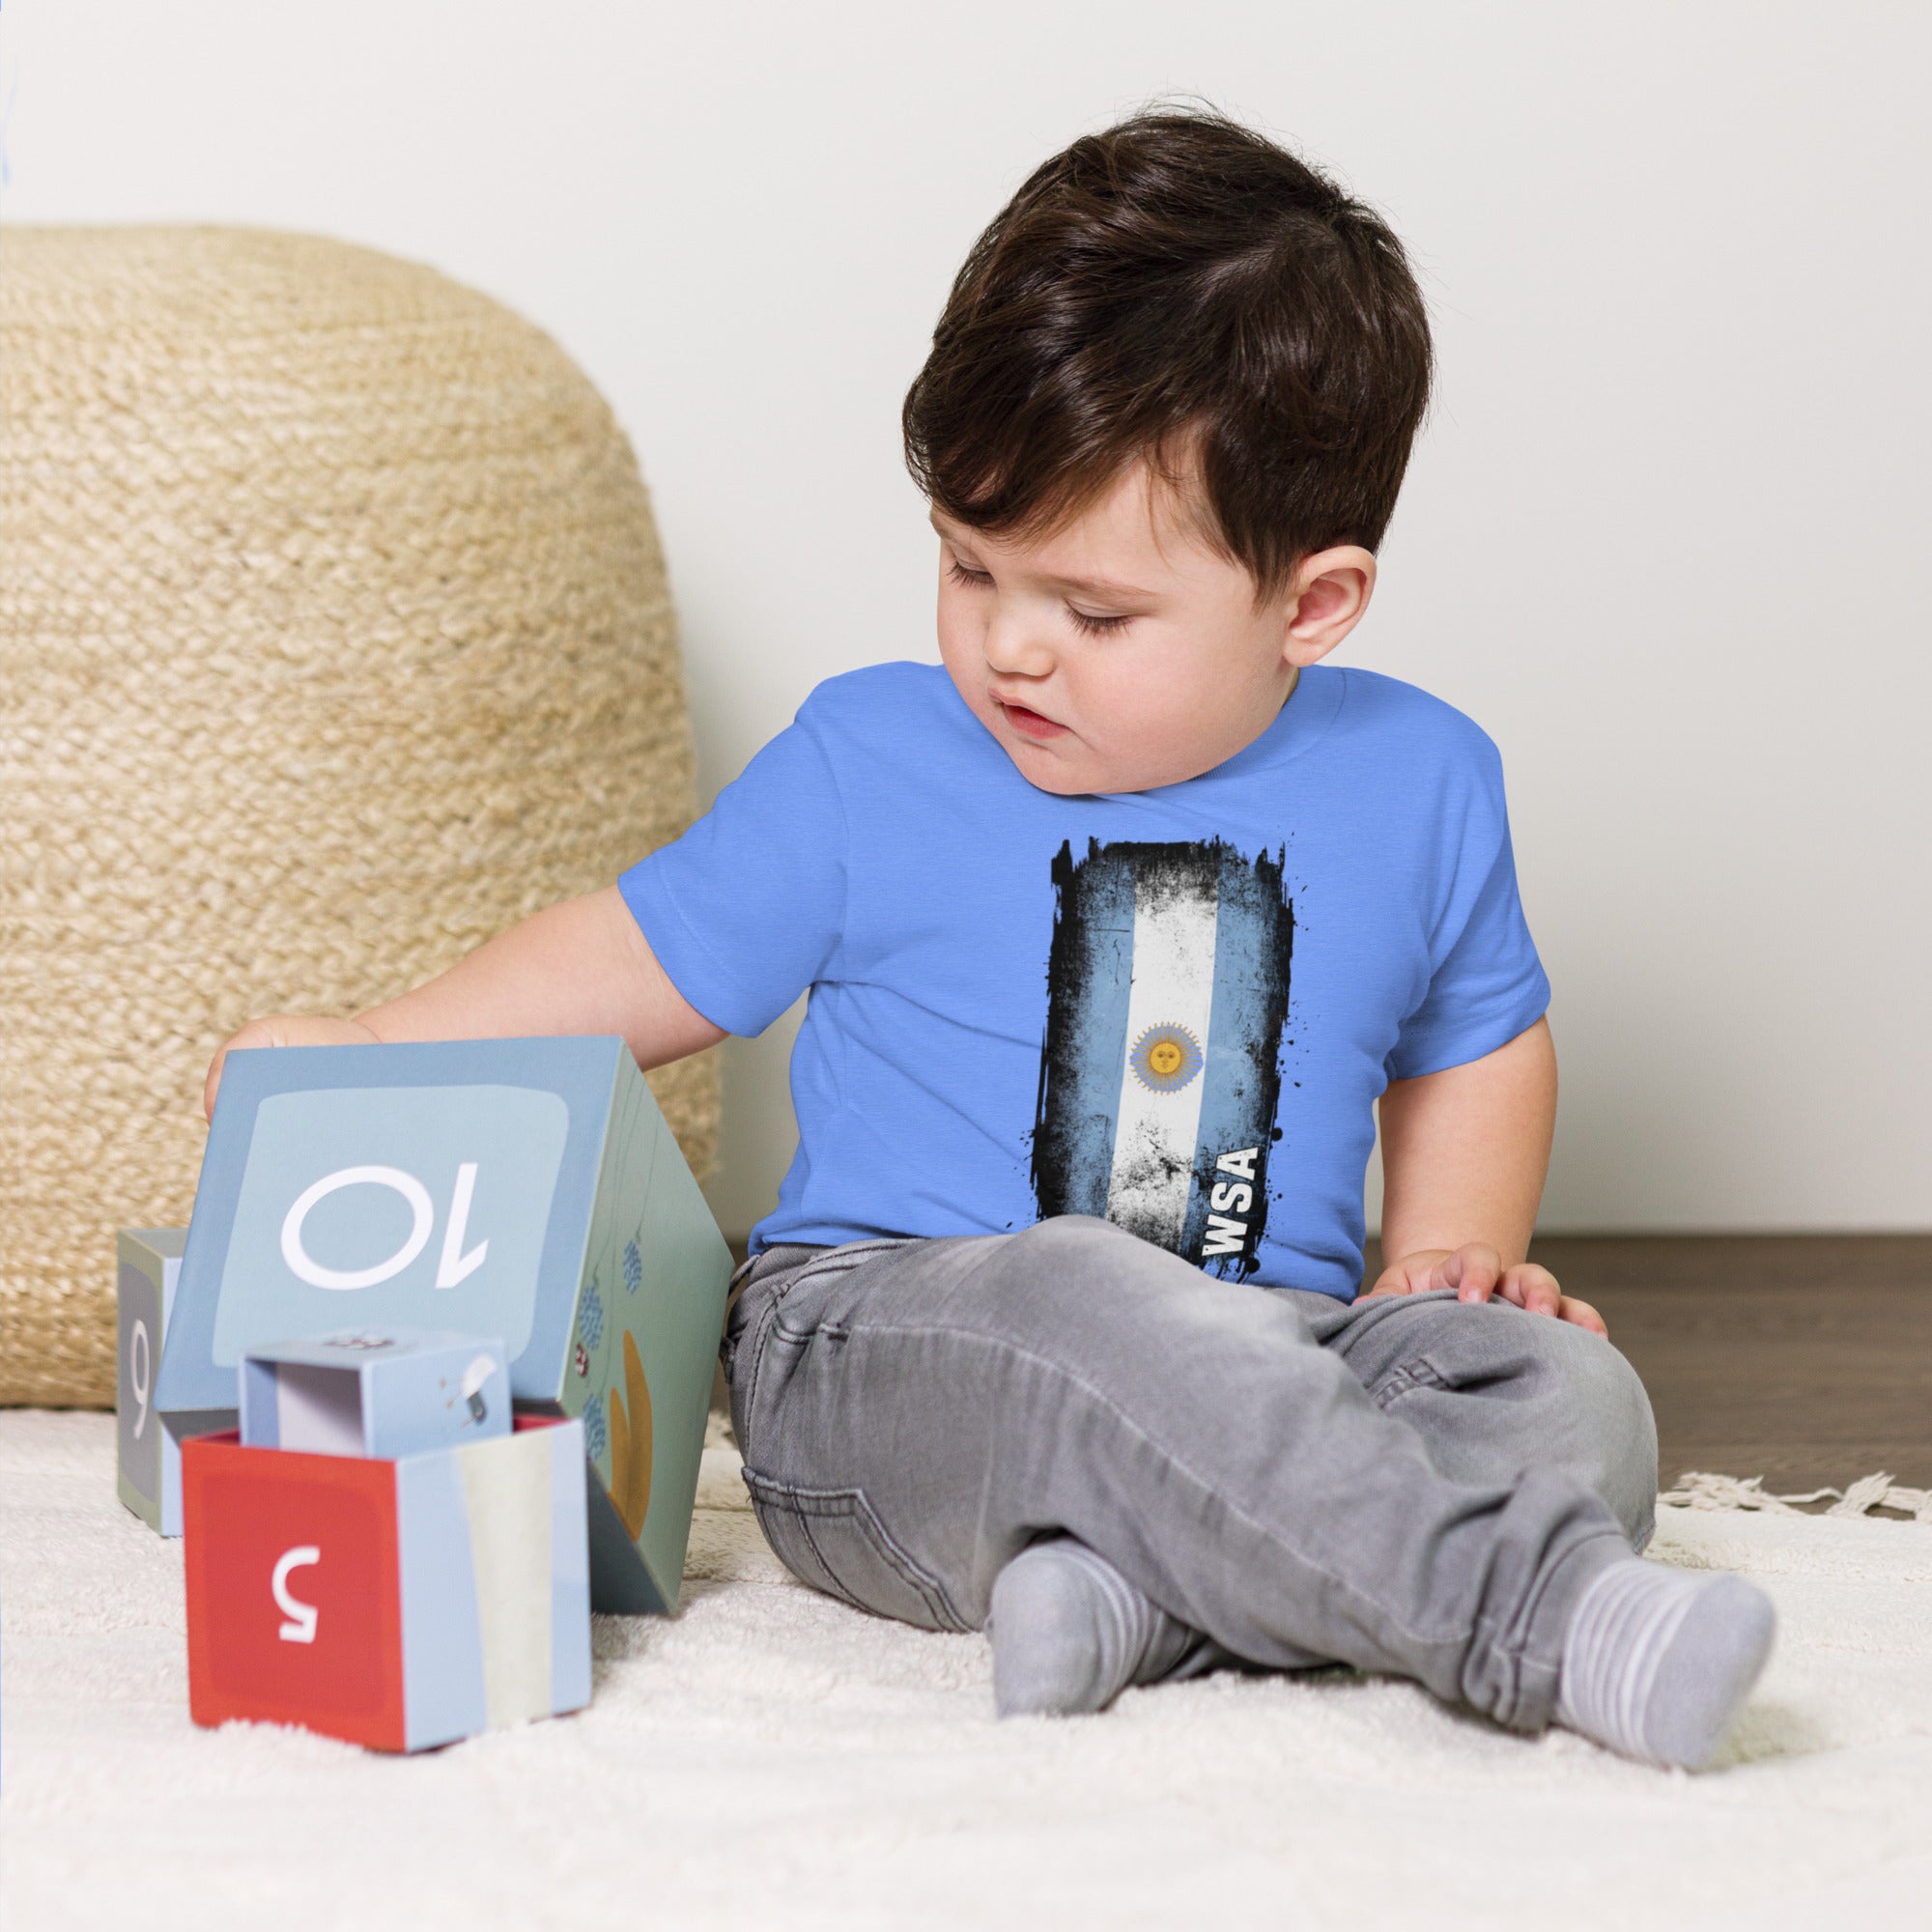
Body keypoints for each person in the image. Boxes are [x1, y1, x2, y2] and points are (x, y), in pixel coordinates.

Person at [208, 109, 1774, 1768]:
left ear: (1310, 605)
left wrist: (1441, 1260)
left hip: (1283, 1352)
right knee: (1083, 1297)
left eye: (1094, 613)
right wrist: (375, 1052)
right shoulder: (864, 761)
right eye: (969, 565)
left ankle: (1142, 1606)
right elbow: (636, 958)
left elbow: (1477, 1031)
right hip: (890, 1352)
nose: (1010, 648)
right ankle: (1520, 1618)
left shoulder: (1425, 778)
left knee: (1572, 1400)